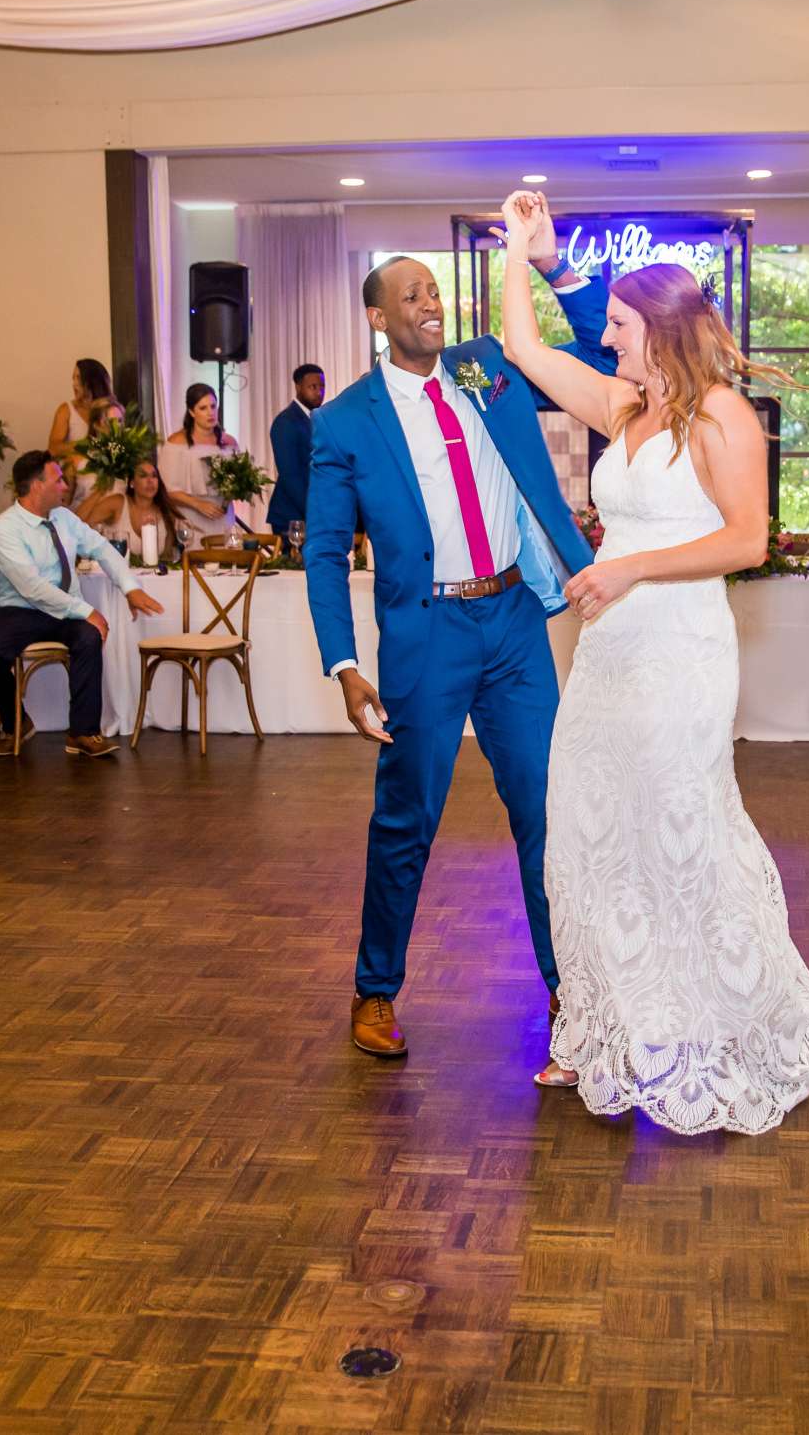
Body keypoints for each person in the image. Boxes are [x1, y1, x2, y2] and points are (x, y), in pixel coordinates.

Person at [496, 189, 809, 1134]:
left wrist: (632, 562)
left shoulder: (724, 417)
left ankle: (706, 1021)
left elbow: (748, 540)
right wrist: (524, 249)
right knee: (593, 829)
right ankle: (605, 1027)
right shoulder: (623, 406)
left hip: (681, 647)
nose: (606, 340)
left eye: (618, 326)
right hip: (610, 654)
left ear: (663, 331)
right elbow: (525, 350)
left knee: (680, 824)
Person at [305, 198, 610, 1076]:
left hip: (513, 621)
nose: (430, 304)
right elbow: (324, 552)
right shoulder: (347, 422)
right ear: (376, 317)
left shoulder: (484, 370)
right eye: (410, 295)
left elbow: (594, 353)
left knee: (547, 811)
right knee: (406, 818)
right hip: (426, 634)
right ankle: (375, 988)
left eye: (434, 290)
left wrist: (553, 266)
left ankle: (569, 989)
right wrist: (345, 662)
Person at [0, 451, 166, 760]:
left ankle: (83, 731)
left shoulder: (63, 518)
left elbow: (101, 547)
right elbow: (32, 588)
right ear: (37, 485)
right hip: (20, 610)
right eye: (58, 479)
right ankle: (15, 723)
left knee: (88, 637)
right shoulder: (5, 527)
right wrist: (86, 611)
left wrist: (130, 588)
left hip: (64, 609)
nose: (65, 486)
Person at [164, 384, 245, 541]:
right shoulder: (177, 442)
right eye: (203, 408)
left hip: (223, 516)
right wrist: (198, 504)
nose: (210, 413)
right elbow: (167, 489)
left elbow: (239, 481)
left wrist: (234, 493)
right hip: (191, 518)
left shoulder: (229, 441)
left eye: (213, 406)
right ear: (191, 412)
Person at [77, 455, 183, 561]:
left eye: (154, 476)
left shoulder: (165, 512)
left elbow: (168, 558)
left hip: (151, 576)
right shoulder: (118, 503)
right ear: (132, 483)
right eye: (143, 476)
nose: (150, 481)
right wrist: (101, 490)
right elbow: (77, 524)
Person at [266, 363, 325, 539]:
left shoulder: (320, 418)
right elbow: (290, 475)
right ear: (298, 387)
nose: (318, 392)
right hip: (292, 513)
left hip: (314, 509)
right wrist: (315, 514)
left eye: (322, 386)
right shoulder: (286, 422)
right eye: (312, 387)